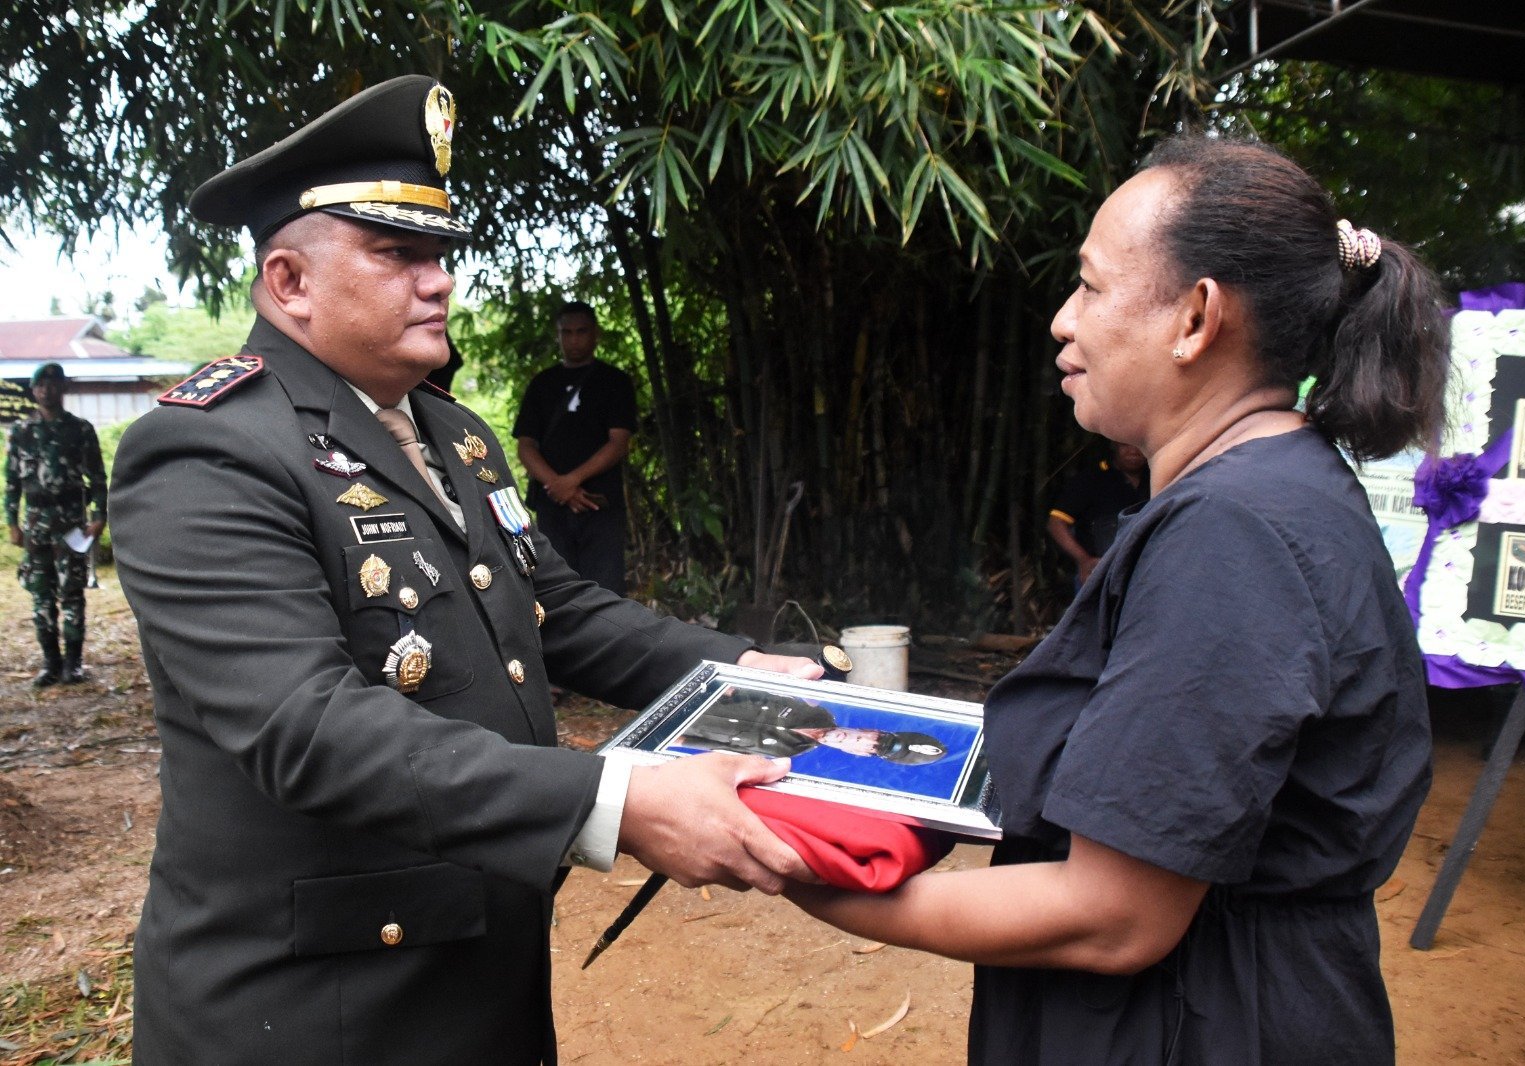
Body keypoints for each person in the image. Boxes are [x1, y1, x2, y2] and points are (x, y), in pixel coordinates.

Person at [109, 76, 821, 1065]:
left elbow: (557, 609)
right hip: (324, 1005)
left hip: (474, 955)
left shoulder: (451, 432)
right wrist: (613, 801)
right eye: (396, 253)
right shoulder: (210, 449)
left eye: (438, 254)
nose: (438, 281)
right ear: (291, 282)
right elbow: (305, 725)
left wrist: (736, 669)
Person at [787, 135, 1449, 1064]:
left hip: (1199, 1026)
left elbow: (1113, 915)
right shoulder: (1275, 486)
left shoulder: (1232, 533)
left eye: (1091, 287)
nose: (1063, 321)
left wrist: (805, 874)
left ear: (1196, 317)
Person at [514, 301, 636, 594]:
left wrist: (571, 481)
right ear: (558, 335)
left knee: (606, 589)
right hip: (552, 504)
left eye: (581, 331)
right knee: (557, 589)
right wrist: (557, 485)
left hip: (600, 503)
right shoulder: (542, 383)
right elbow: (526, 445)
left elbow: (619, 442)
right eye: (566, 332)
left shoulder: (615, 381)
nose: (574, 339)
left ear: (595, 334)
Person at [5, 362, 106, 686]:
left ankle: (73, 664)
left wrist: (99, 516)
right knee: (41, 594)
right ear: (33, 391)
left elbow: (98, 478)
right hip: (36, 523)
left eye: (53, 384)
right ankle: (50, 663)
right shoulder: (20, 432)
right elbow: (12, 482)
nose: (46, 391)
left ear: (64, 388)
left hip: (71, 523)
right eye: (40, 385)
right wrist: (12, 523)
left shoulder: (80, 430)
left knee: (72, 593)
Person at [678, 689, 948, 763]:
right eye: (861, 736)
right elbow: (755, 690)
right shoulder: (813, 708)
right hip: (689, 696)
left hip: (684, 728)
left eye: (860, 746)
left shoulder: (787, 752)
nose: (848, 738)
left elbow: (723, 747)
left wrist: (679, 741)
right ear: (866, 730)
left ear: (854, 753)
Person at [1046, 438, 1149, 587]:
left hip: (1148, 574)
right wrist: (1084, 559)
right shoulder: (1093, 478)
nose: (1133, 451)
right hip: (1100, 574)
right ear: (1113, 445)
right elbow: (1056, 523)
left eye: (1138, 444)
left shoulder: (1159, 476)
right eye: (1125, 444)